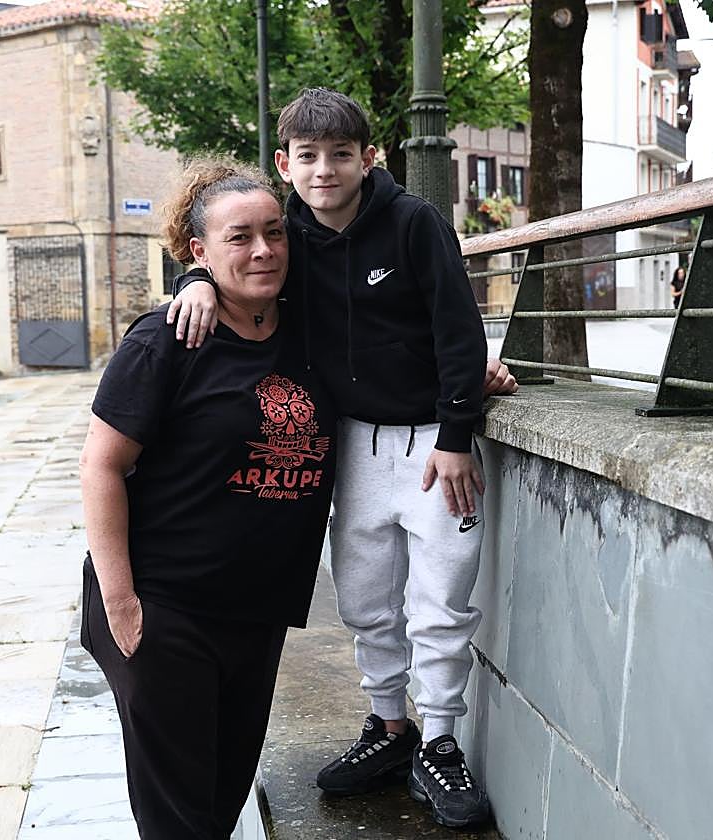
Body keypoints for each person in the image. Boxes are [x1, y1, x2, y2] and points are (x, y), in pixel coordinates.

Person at [169, 88, 512, 829]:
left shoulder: (415, 224)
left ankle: (441, 742)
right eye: (309, 157)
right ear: (284, 163)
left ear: (369, 157)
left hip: (433, 449)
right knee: (362, 600)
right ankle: (390, 728)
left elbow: (459, 329)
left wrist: (457, 435)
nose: (325, 170)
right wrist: (193, 279)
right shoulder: (286, 231)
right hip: (351, 443)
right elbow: (229, 258)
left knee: (440, 603)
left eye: (341, 155)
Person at [79, 158, 337, 840]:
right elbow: (100, 467)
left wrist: (468, 376)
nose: (262, 250)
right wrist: (122, 605)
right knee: (179, 820)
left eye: (275, 233)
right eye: (239, 237)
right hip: (166, 608)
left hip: (256, 615)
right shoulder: (166, 340)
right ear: (199, 250)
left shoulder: (311, 334)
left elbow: (390, 333)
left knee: (220, 803)